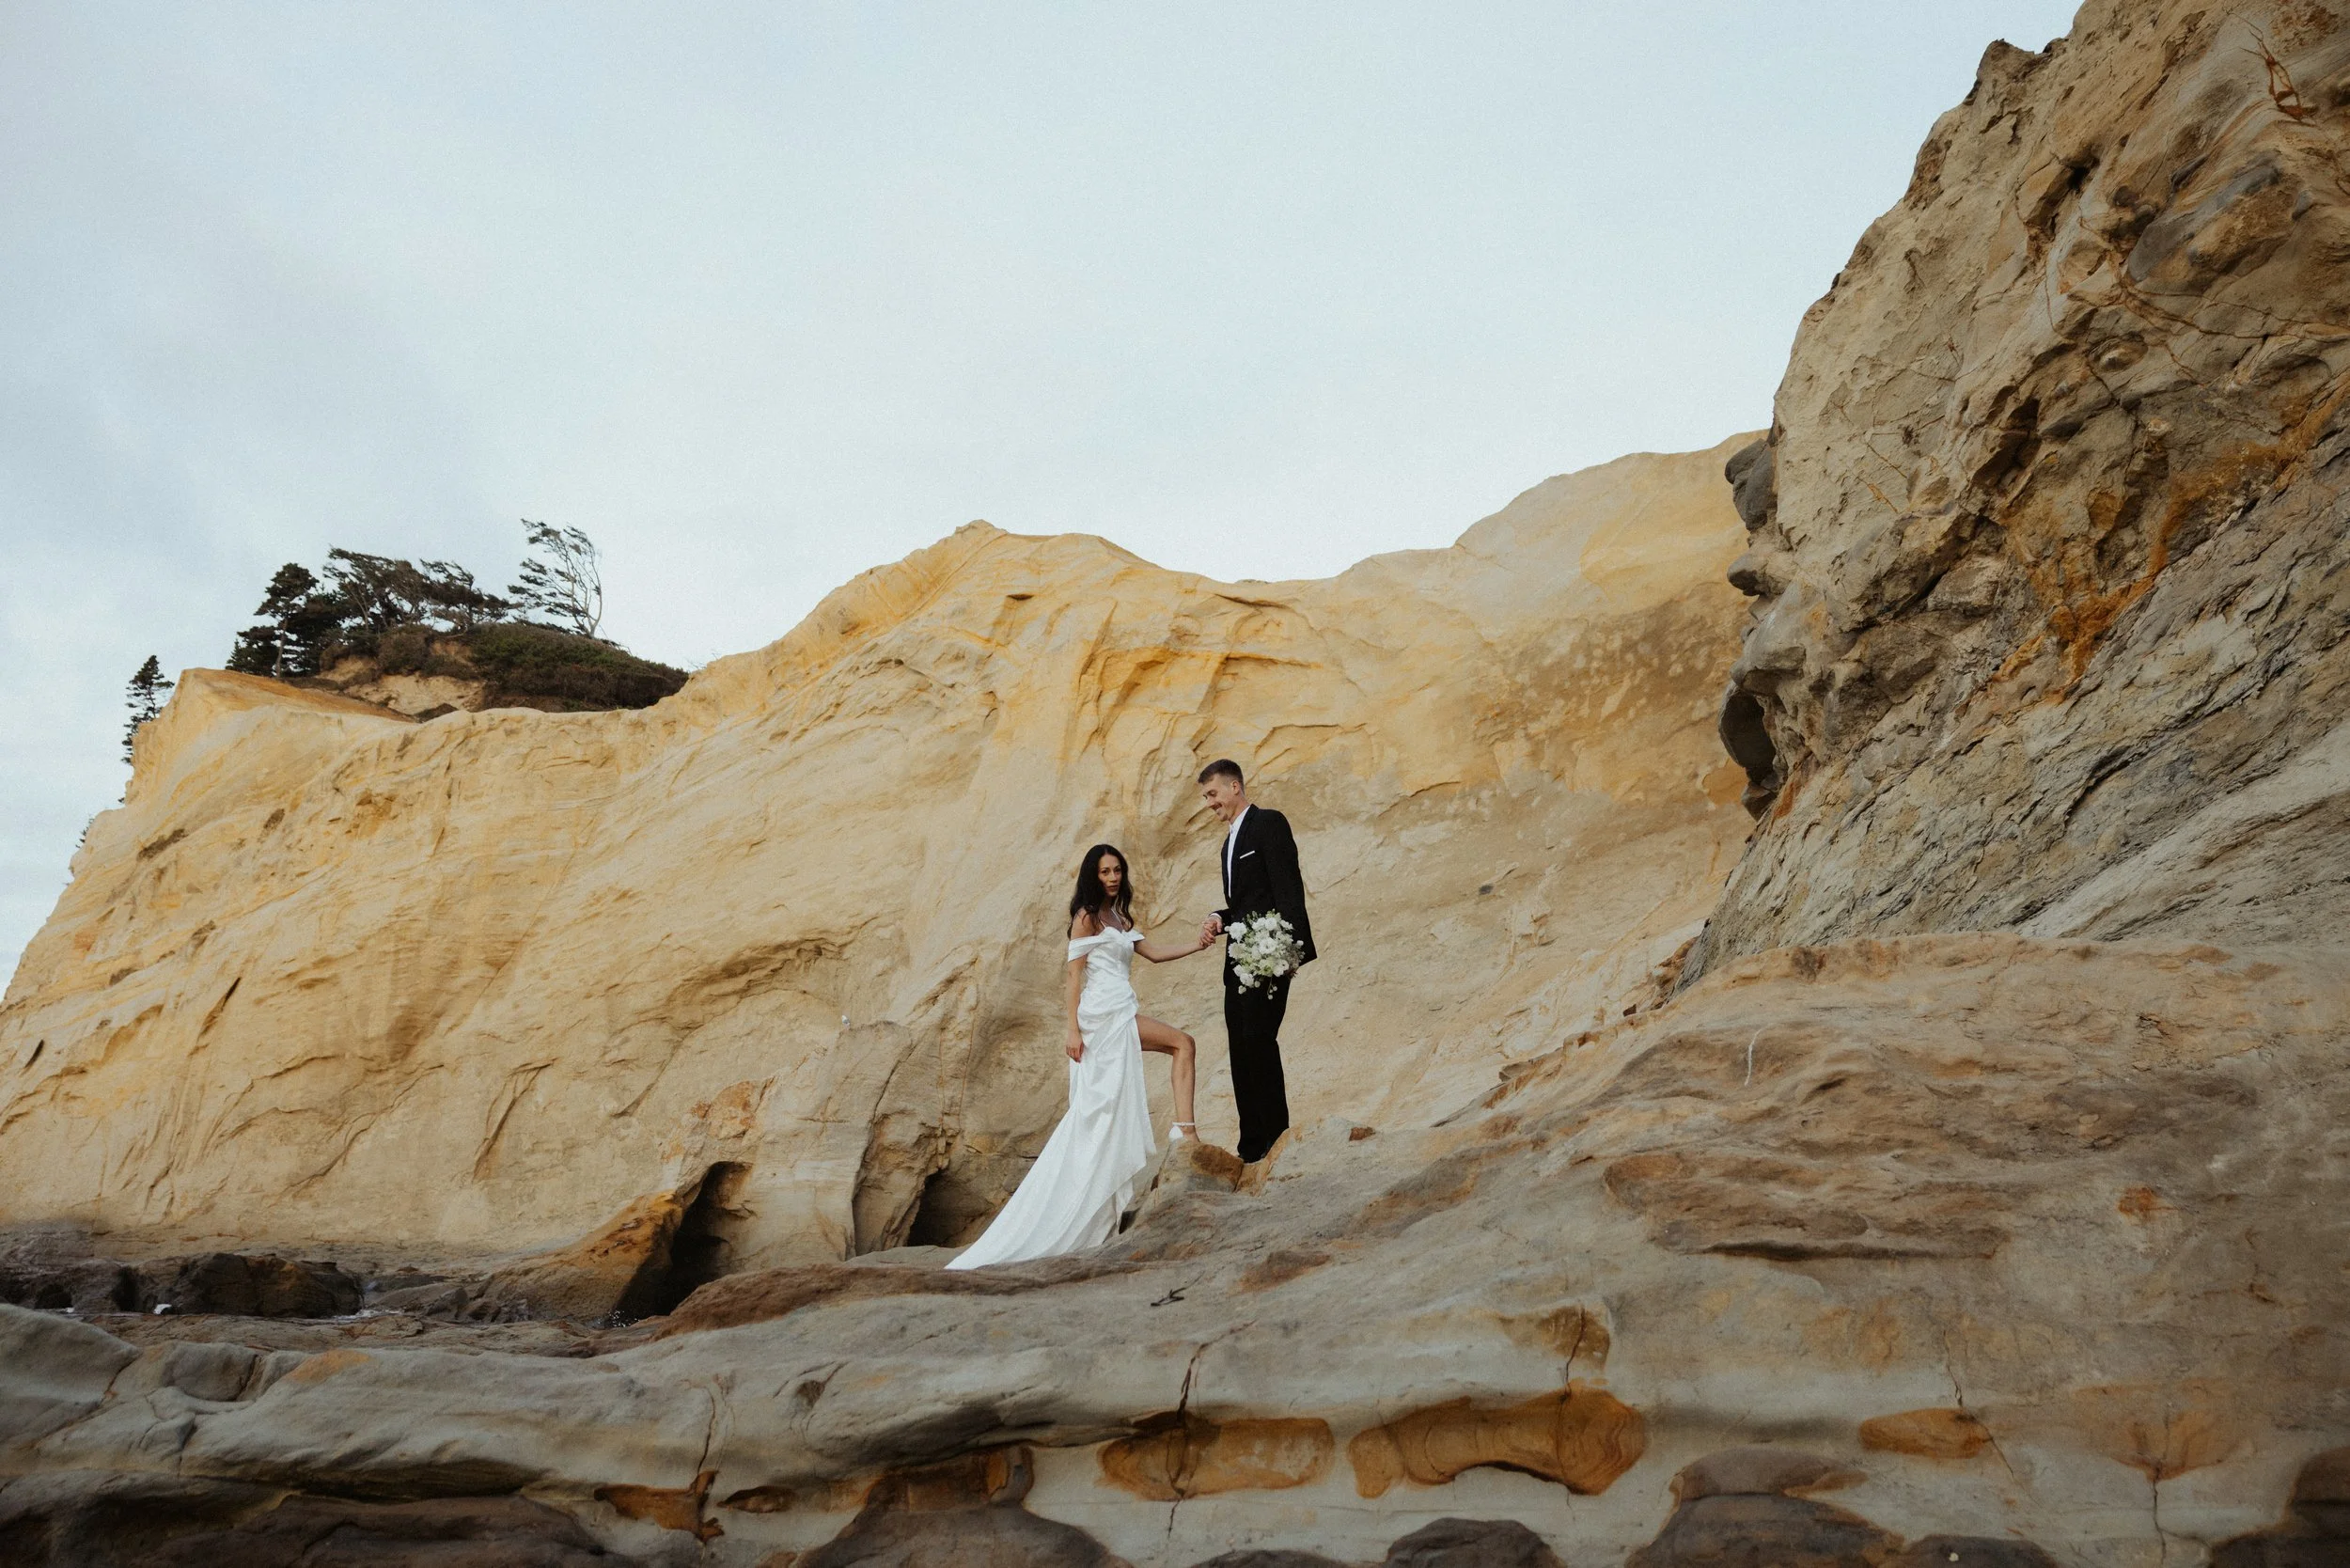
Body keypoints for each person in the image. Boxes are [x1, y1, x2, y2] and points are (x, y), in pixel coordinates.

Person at [945, 843, 1213, 1270]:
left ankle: (1184, 1134)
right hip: (1100, 1020)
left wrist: (1198, 946)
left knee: (1178, 1049)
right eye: (1105, 871)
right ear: (1093, 874)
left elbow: (1155, 954)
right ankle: (1183, 1136)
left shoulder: (1119, 917)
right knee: (1108, 1103)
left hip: (1121, 1010)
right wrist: (1071, 1029)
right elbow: (1073, 976)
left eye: (1118, 870)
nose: (1112, 877)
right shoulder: (1086, 917)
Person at [1197, 760, 1316, 1163]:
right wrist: (1219, 917)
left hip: (1271, 958)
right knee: (1239, 1048)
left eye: (1213, 794)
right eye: (1206, 797)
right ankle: (1251, 1147)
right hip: (1237, 964)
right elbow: (1244, 905)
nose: (1210, 803)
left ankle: (1276, 1141)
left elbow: (1286, 888)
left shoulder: (1268, 824)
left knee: (1259, 1042)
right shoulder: (1227, 843)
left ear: (1234, 787)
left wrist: (1290, 952)